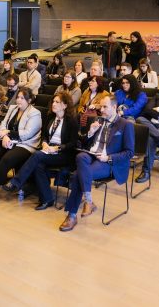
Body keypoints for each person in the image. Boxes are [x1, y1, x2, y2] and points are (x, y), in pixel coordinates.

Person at [59, 95, 134, 232]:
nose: (102, 110)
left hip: (108, 161)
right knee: (81, 156)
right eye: (101, 106)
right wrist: (90, 132)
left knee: (77, 176)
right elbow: (83, 143)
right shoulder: (98, 120)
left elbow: (129, 153)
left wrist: (109, 157)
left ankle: (72, 215)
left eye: (105, 107)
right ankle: (88, 201)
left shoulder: (125, 125)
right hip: (91, 155)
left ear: (114, 107)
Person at [2, 92, 79, 209]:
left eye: (57, 102)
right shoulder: (50, 117)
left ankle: (16, 182)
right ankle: (47, 199)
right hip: (48, 150)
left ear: (65, 105)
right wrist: (44, 143)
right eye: (53, 101)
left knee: (37, 155)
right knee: (38, 166)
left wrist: (57, 148)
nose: (53, 104)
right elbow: (44, 136)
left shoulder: (71, 121)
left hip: (63, 154)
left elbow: (73, 143)